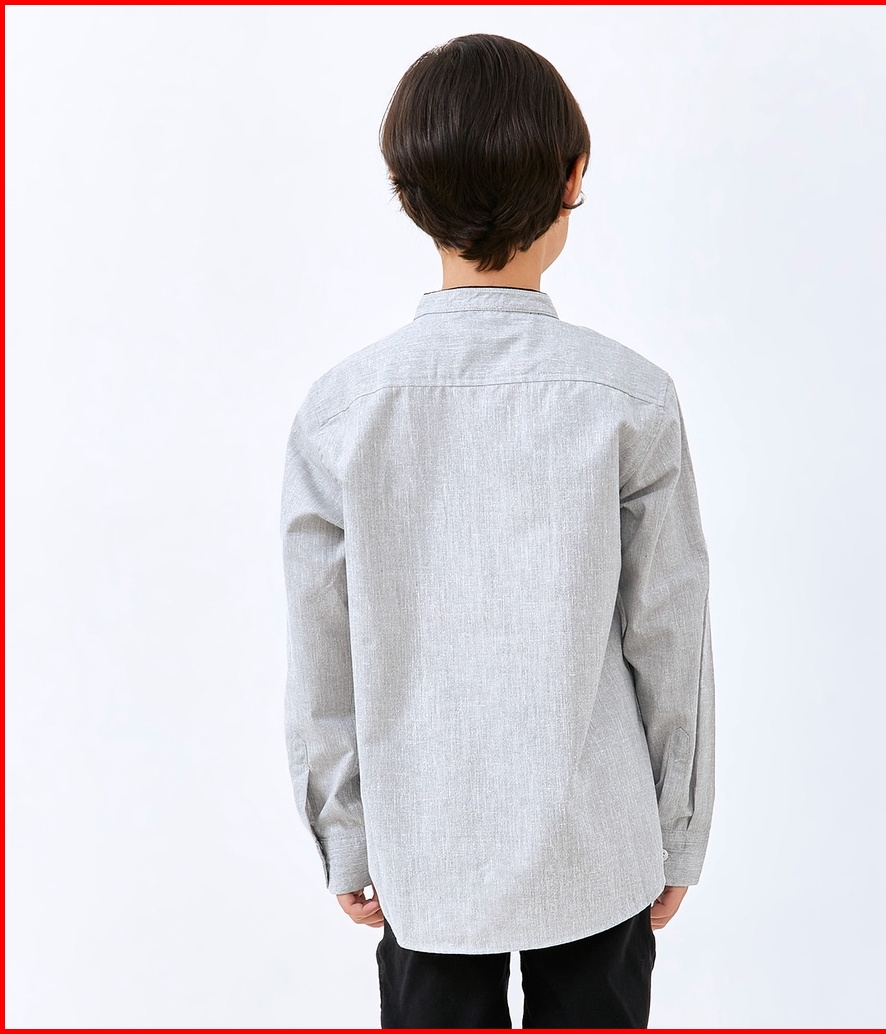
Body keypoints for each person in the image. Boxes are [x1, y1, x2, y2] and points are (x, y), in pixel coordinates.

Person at [280, 32, 716, 1029]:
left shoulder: (340, 412)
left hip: (423, 851)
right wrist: (678, 828)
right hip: (598, 842)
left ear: (405, 190)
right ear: (573, 178)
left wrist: (343, 835)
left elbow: (321, 649)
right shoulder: (628, 398)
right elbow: (669, 631)